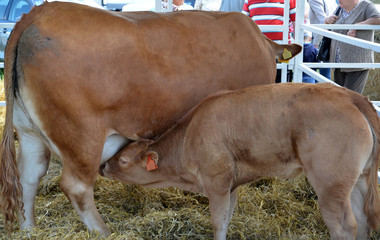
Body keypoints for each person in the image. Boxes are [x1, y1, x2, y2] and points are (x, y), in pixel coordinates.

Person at [326, 0, 380, 94]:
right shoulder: (340, 8)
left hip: (357, 63)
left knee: (349, 98)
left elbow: (378, 19)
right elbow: (329, 23)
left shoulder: (366, 6)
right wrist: (327, 20)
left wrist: (358, 25)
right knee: (339, 97)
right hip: (338, 62)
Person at [242, 0, 296, 83]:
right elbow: (243, 24)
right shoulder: (249, 1)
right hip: (258, 51)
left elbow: (296, 24)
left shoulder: (290, 1)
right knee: (258, 85)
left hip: (282, 50)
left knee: (281, 82)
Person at [308, 0, 338, 80]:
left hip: (319, 40)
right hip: (329, 38)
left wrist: (316, 43)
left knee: (309, 74)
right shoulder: (332, 1)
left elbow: (323, 21)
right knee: (325, 74)